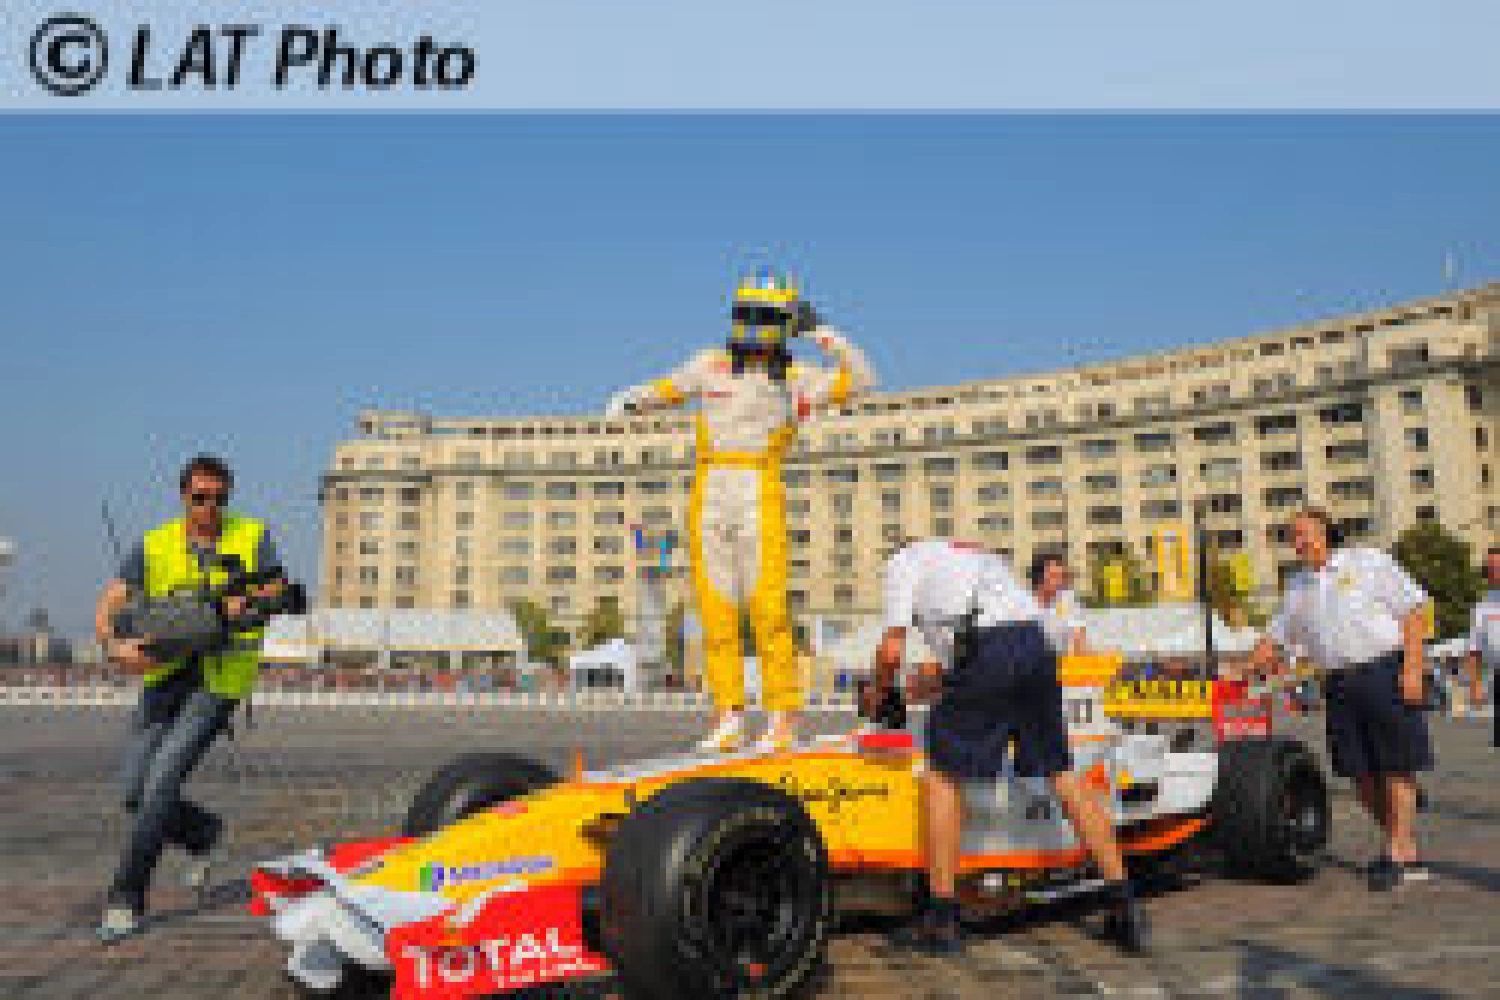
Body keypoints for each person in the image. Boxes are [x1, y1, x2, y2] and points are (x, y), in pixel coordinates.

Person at [607, 267, 875, 753]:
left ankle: (781, 716)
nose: (752, 324)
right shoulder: (710, 363)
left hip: (758, 487)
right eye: (746, 313)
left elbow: (863, 380)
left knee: (769, 610)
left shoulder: (797, 379)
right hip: (709, 489)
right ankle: (728, 716)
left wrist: (822, 333)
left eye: (764, 315)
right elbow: (668, 388)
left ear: (784, 321)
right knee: (716, 613)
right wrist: (630, 400)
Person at [863, 539, 1147, 954]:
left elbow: (891, 652)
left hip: (990, 648)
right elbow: (986, 646)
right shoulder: (969, 554)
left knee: (942, 775)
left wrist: (878, 692)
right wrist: (936, 683)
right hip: (1034, 645)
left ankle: (942, 920)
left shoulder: (903, 561)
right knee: (1062, 774)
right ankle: (1125, 907)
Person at [93, 455, 285, 942]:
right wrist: (115, 646)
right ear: (183, 497)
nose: (210, 507)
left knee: (161, 779)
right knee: (133, 792)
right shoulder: (155, 544)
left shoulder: (252, 535)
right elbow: (110, 601)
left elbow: (276, 589)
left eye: (219, 498)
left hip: (218, 682)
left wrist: (252, 602)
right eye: (200, 497)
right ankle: (202, 832)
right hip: (164, 674)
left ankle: (125, 899)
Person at [1240, 508, 1432, 890]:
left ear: (1326, 532)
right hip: (1339, 685)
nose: (1296, 542)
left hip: (1384, 673)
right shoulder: (1297, 586)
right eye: (1292, 536)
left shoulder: (1368, 562)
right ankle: (1405, 845)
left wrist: (1412, 669)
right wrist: (1247, 665)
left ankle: (1397, 853)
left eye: (1302, 533)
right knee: (1361, 779)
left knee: (1395, 767)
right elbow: (1276, 638)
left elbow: (1413, 612)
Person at [1464, 546, 1500, 747]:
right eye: (1491, 568)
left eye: (1498, 567)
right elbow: (1474, 648)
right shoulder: (1483, 606)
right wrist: (1475, 684)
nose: (1495, 572)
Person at [1028, 552, 1087, 655]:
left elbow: (1079, 639)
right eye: (1055, 576)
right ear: (1040, 580)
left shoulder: (1068, 600)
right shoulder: (1024, 608)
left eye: (1062, 576)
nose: (1061, 582)